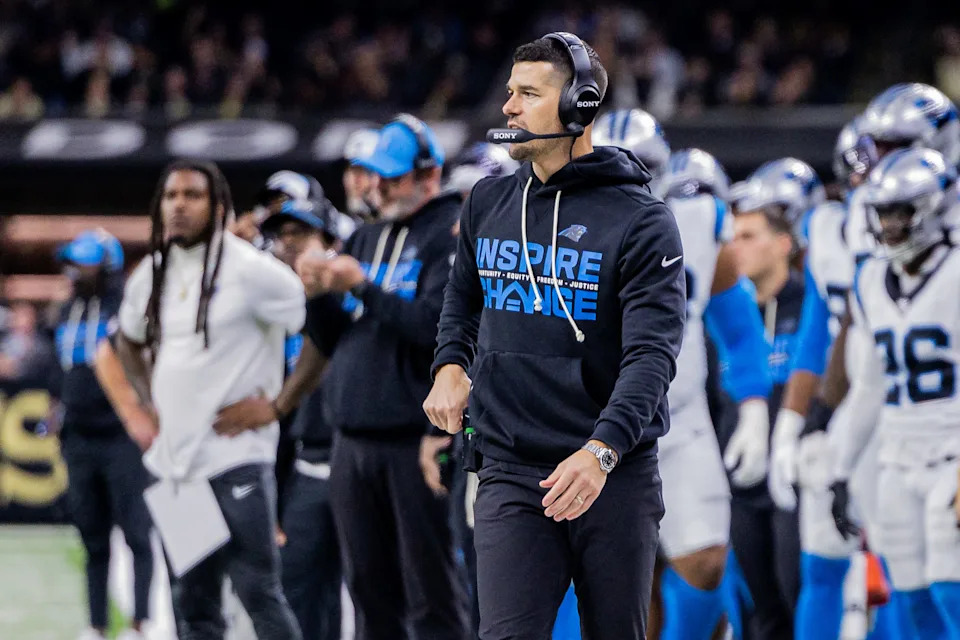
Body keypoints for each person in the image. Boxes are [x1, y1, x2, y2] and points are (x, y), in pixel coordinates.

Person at [424, 33, 686, 639]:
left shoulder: (643, 221)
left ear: (579, 106)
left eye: (528, 94)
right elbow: (462, 300)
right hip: (511, 468)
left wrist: (601, 452)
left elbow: (651, 356)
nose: (509, 107)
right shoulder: (489, 200)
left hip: (610, 473)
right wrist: (449, 366)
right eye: (510, 93)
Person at [769, 82, 960, 640]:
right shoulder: (871, 271)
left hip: (949, 440)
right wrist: (824, 442)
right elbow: (861, 368)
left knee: (947, 586)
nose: (876, 161)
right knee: (907, 585)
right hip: (889, 433)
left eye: (893, 143)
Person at [95, 159, 305, 640]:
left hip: (238, 461)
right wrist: (148, 403)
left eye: (192, 196)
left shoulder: (254, 271)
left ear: (217, 207)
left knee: (259, 594)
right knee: (194, 605)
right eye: (170, 196)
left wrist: (276, 406)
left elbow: (323, 328)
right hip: (178, 469)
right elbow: (126, 339)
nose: (179, 205)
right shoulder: (151, 272)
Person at [295, 113, 469, 640]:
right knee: (368, 593)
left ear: (429, 176)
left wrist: (364, 287)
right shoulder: (365, 235)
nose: (379, 186)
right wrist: (317, 293)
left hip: (415, 441)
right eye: (376, 175)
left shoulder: (450, 233)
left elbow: (439, 328)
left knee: (430, 591)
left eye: (391, 177)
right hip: (351, 440)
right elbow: (331, 337)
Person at [830, 147, 960, 637]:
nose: (889, 225)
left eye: (901, 212)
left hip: (952, 454)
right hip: (898, 458)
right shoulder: (869, 282)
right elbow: (870, 385)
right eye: (882, 213)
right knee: (909, 594)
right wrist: (841, 468)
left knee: (951, 586)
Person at [728, 158, 824, 639]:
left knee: (797, 594)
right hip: (741, 483)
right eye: (733, 236)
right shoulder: (726, 316)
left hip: (796, 477)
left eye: (749, 236)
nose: (736, 248)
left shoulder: (812, 303)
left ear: (784, 243)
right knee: (755, 610)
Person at [55, 230, 153, 640]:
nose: (75, 272)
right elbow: (60, 370)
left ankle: (139, 622)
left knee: (136, 531)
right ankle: (95, 625)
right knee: (92, 535)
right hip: (78, 437)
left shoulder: (125, 310)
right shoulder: (65, 311)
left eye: (85, 264)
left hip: (121, 435)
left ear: (106, 266)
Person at [259, 198, 347, 640]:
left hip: (363, 461)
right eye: (282, 235)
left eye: (302, 234)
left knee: (380, 597)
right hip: (306, 468)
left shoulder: (355, 295)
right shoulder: (271, 310)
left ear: (331, 241)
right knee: (299, 598)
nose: (289, 244)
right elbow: (276, 417)